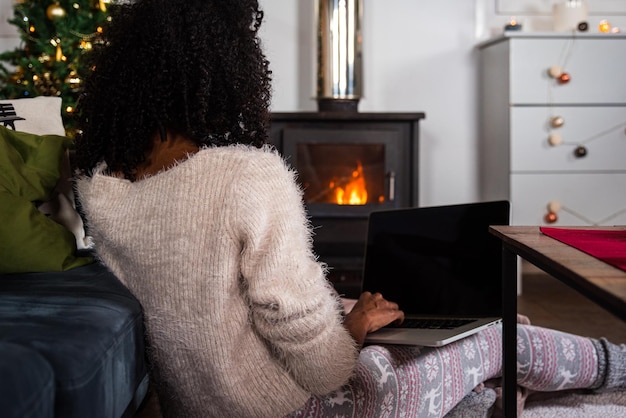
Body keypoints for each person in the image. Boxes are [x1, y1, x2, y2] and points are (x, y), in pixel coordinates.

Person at [73, 0, 626, 417]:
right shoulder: (244, 177)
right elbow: (324, 365)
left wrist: (343, 312)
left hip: (202, 406)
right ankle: (614, 367)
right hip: (304, 407)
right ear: (223, 71)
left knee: (436, 345)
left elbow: (210, 305)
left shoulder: (103, 192)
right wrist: (353, 328)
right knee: (498, 336)